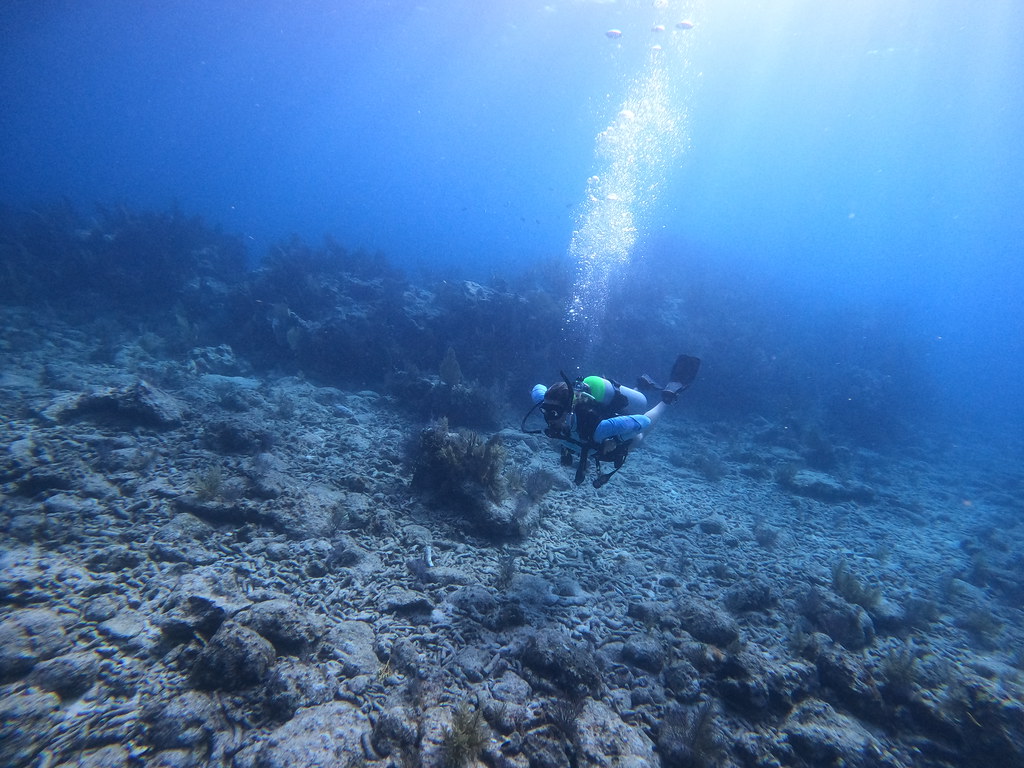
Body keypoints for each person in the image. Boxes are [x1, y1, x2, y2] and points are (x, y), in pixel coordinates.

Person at [522, 354, 700, 488]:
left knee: (637, 438)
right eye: (545, 411)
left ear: (568, 410)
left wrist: (614, 440)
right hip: (599, 404)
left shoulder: (600, 429)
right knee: (621, 409)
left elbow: (643, 421)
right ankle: (639, 387)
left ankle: (666, 400)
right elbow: (538, 389)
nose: (548, 418)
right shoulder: (549, 406)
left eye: (554, 413)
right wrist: (545, 404)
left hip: (609, 425)